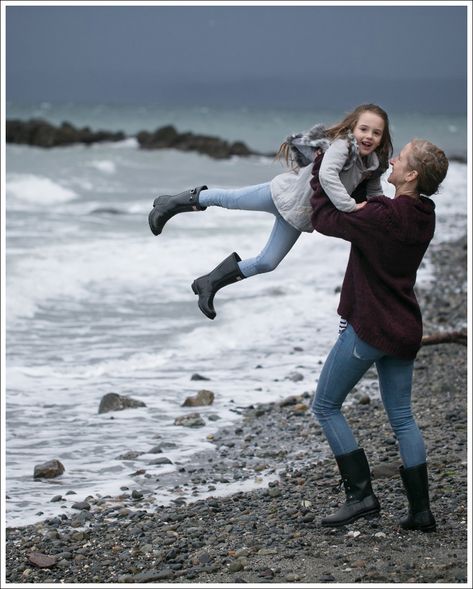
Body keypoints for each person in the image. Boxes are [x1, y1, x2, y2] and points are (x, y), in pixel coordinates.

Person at [309, 139, 449, 532]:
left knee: (325, 406)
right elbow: (367, 219)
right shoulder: (426, 215)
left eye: (400, 158)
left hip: (370, 326)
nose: (392, 159)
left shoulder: (382, 215)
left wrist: (324, 168)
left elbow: (323, 219)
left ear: (411, 175)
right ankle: (421, 512)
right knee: (403, 418)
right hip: (405, 327)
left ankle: (361, 497)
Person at [148, 104, 393, 319]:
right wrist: (349, 207)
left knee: (267, 263)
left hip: (299, 217)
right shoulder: (343, 146)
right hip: (283, 195)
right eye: (364, 129)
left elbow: (374, 195)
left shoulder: (372, 164)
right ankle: (171, 203)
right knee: (229, 199)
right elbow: (328, 175)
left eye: (376, 132)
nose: (368, 136)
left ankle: (209, 283)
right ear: (353, 128)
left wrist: (386, 215)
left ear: (383, 138)